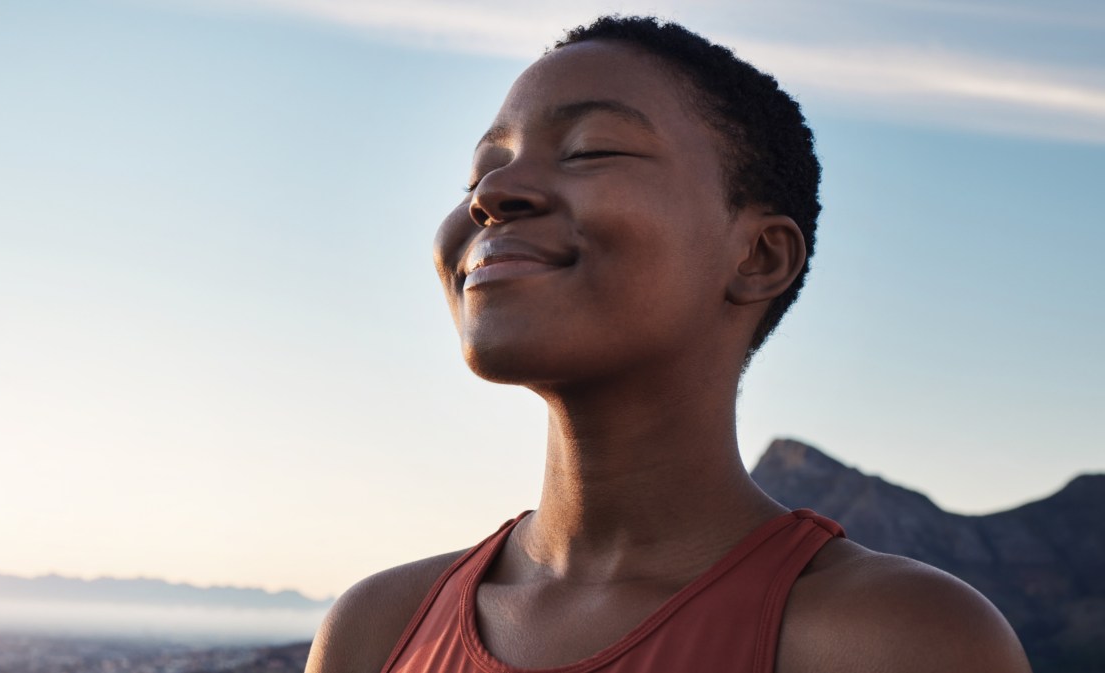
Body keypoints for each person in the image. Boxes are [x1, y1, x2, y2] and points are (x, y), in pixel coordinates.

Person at [306, 15, 1031, 673]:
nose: (490, 195)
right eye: (481, 170)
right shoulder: (374, 630)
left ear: (757, 258)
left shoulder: (897, 640)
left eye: (588, 150)